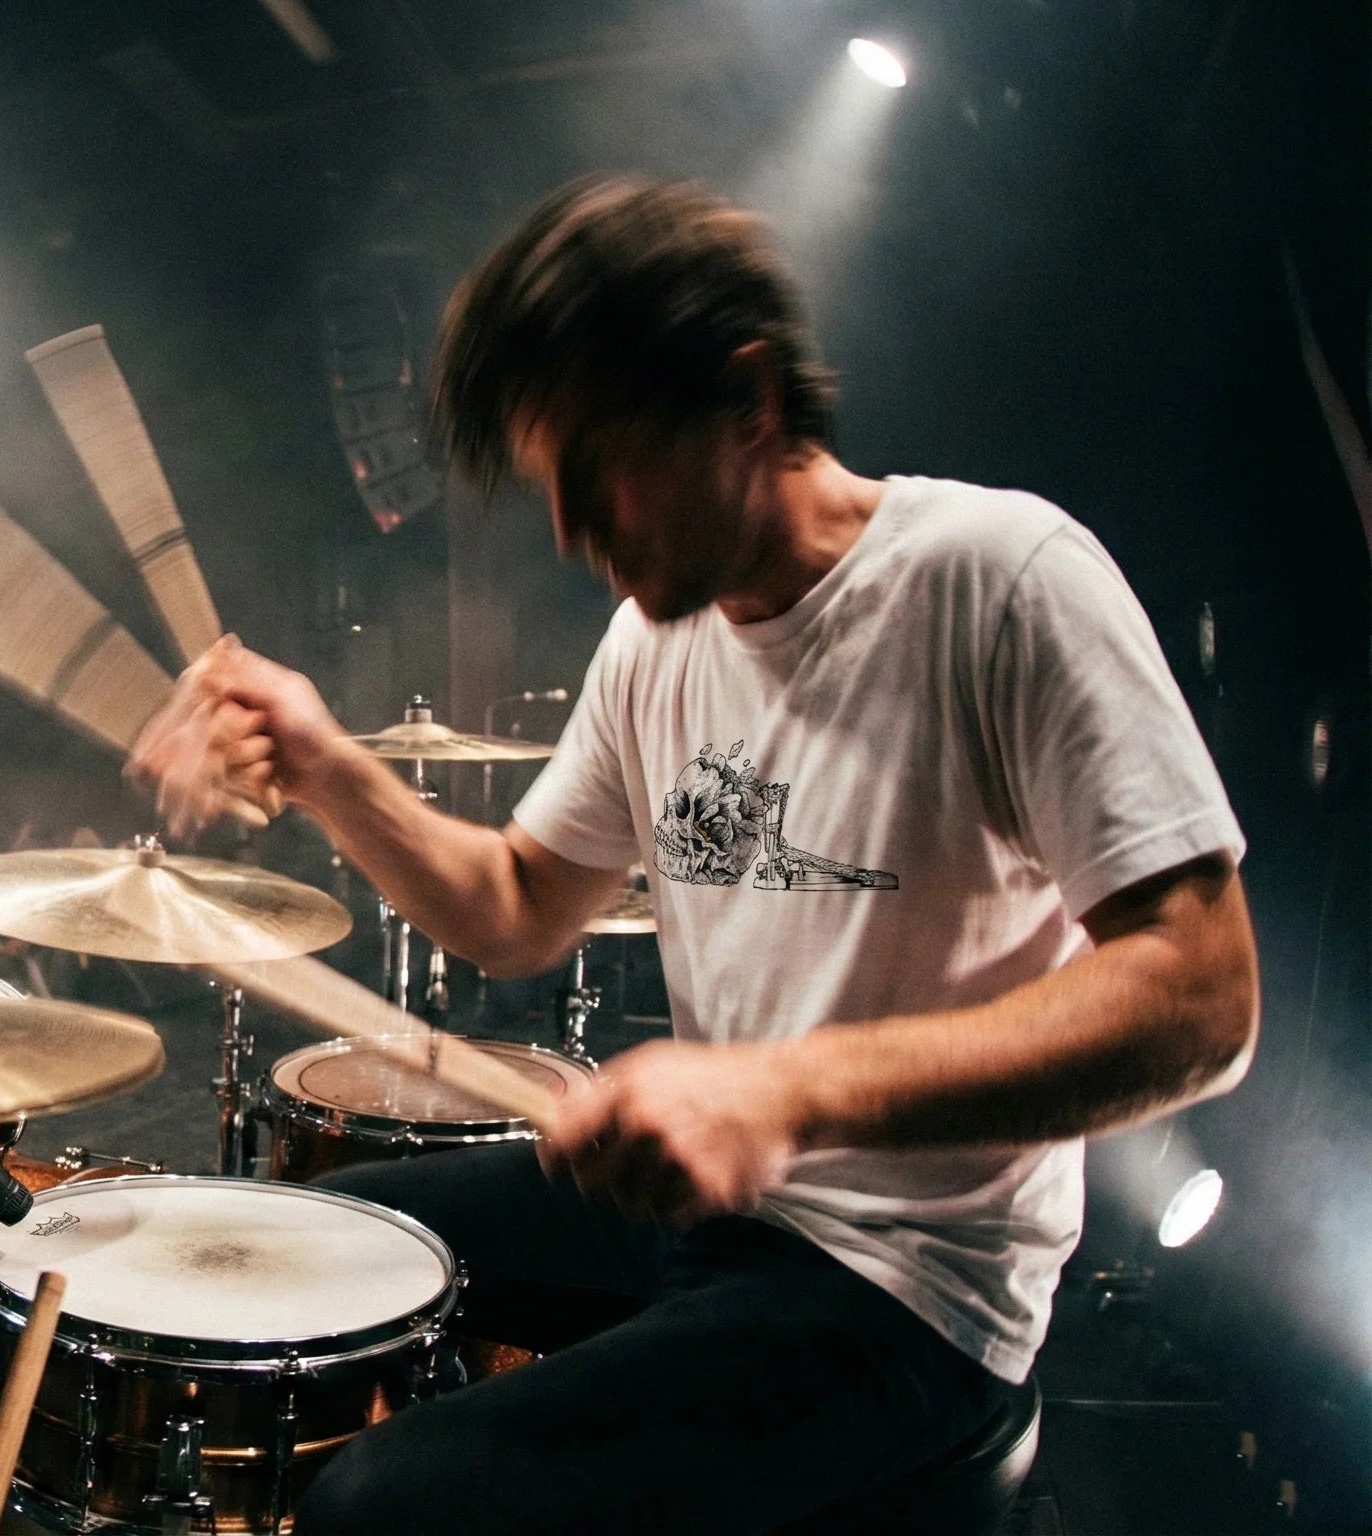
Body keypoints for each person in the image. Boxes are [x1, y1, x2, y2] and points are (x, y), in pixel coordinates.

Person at [130, 175, 1260, 1534]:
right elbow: (518, 909)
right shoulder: (656, 642)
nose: (565, 531)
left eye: (597, 470)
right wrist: (329, 769)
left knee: (388, 1509)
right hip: (717, 1227)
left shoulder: (999, 579)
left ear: (749, 398)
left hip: (913, 1288)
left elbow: (1200, 993)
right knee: (295, 1235)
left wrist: (782, 1093)